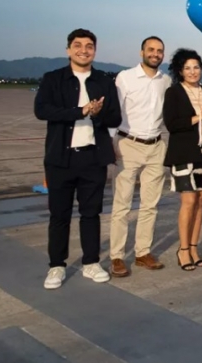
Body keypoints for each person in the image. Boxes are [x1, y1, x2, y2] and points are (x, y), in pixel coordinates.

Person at [35, 28, 121, 289]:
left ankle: (91, 262)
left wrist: (97, 113)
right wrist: (80, 111)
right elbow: (42, 110)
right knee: (59, 215)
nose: (84, 50)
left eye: (89, 46)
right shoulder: (53, 79)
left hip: (92, 158)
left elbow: (115, 118)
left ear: (95, 51)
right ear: (68, 50)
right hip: (61, 158)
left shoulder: (104, 81)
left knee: (91, 213)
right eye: (78, 45)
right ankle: (57, 266)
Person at [109, 36, 170, 278]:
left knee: (150, 205)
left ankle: (143, 252)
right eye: (151, 49)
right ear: (141, 52)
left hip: (155, 146)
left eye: (159, 50)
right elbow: (114, 111)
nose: (155, 54)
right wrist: (112, 141)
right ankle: (117, 256)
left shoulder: (166, 80)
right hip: (128, 144)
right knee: (121, 204)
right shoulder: (125, 78)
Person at [163, 48, 202, 271]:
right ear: (180, 71)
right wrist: (199, 116)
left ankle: (194, 247)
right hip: (184, 154)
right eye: (187, 68)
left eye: (196, 67)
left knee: (201, 200)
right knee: (188, 201)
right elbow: (172, 124)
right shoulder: (174, 92)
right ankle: (183, 249)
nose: (193, 71)